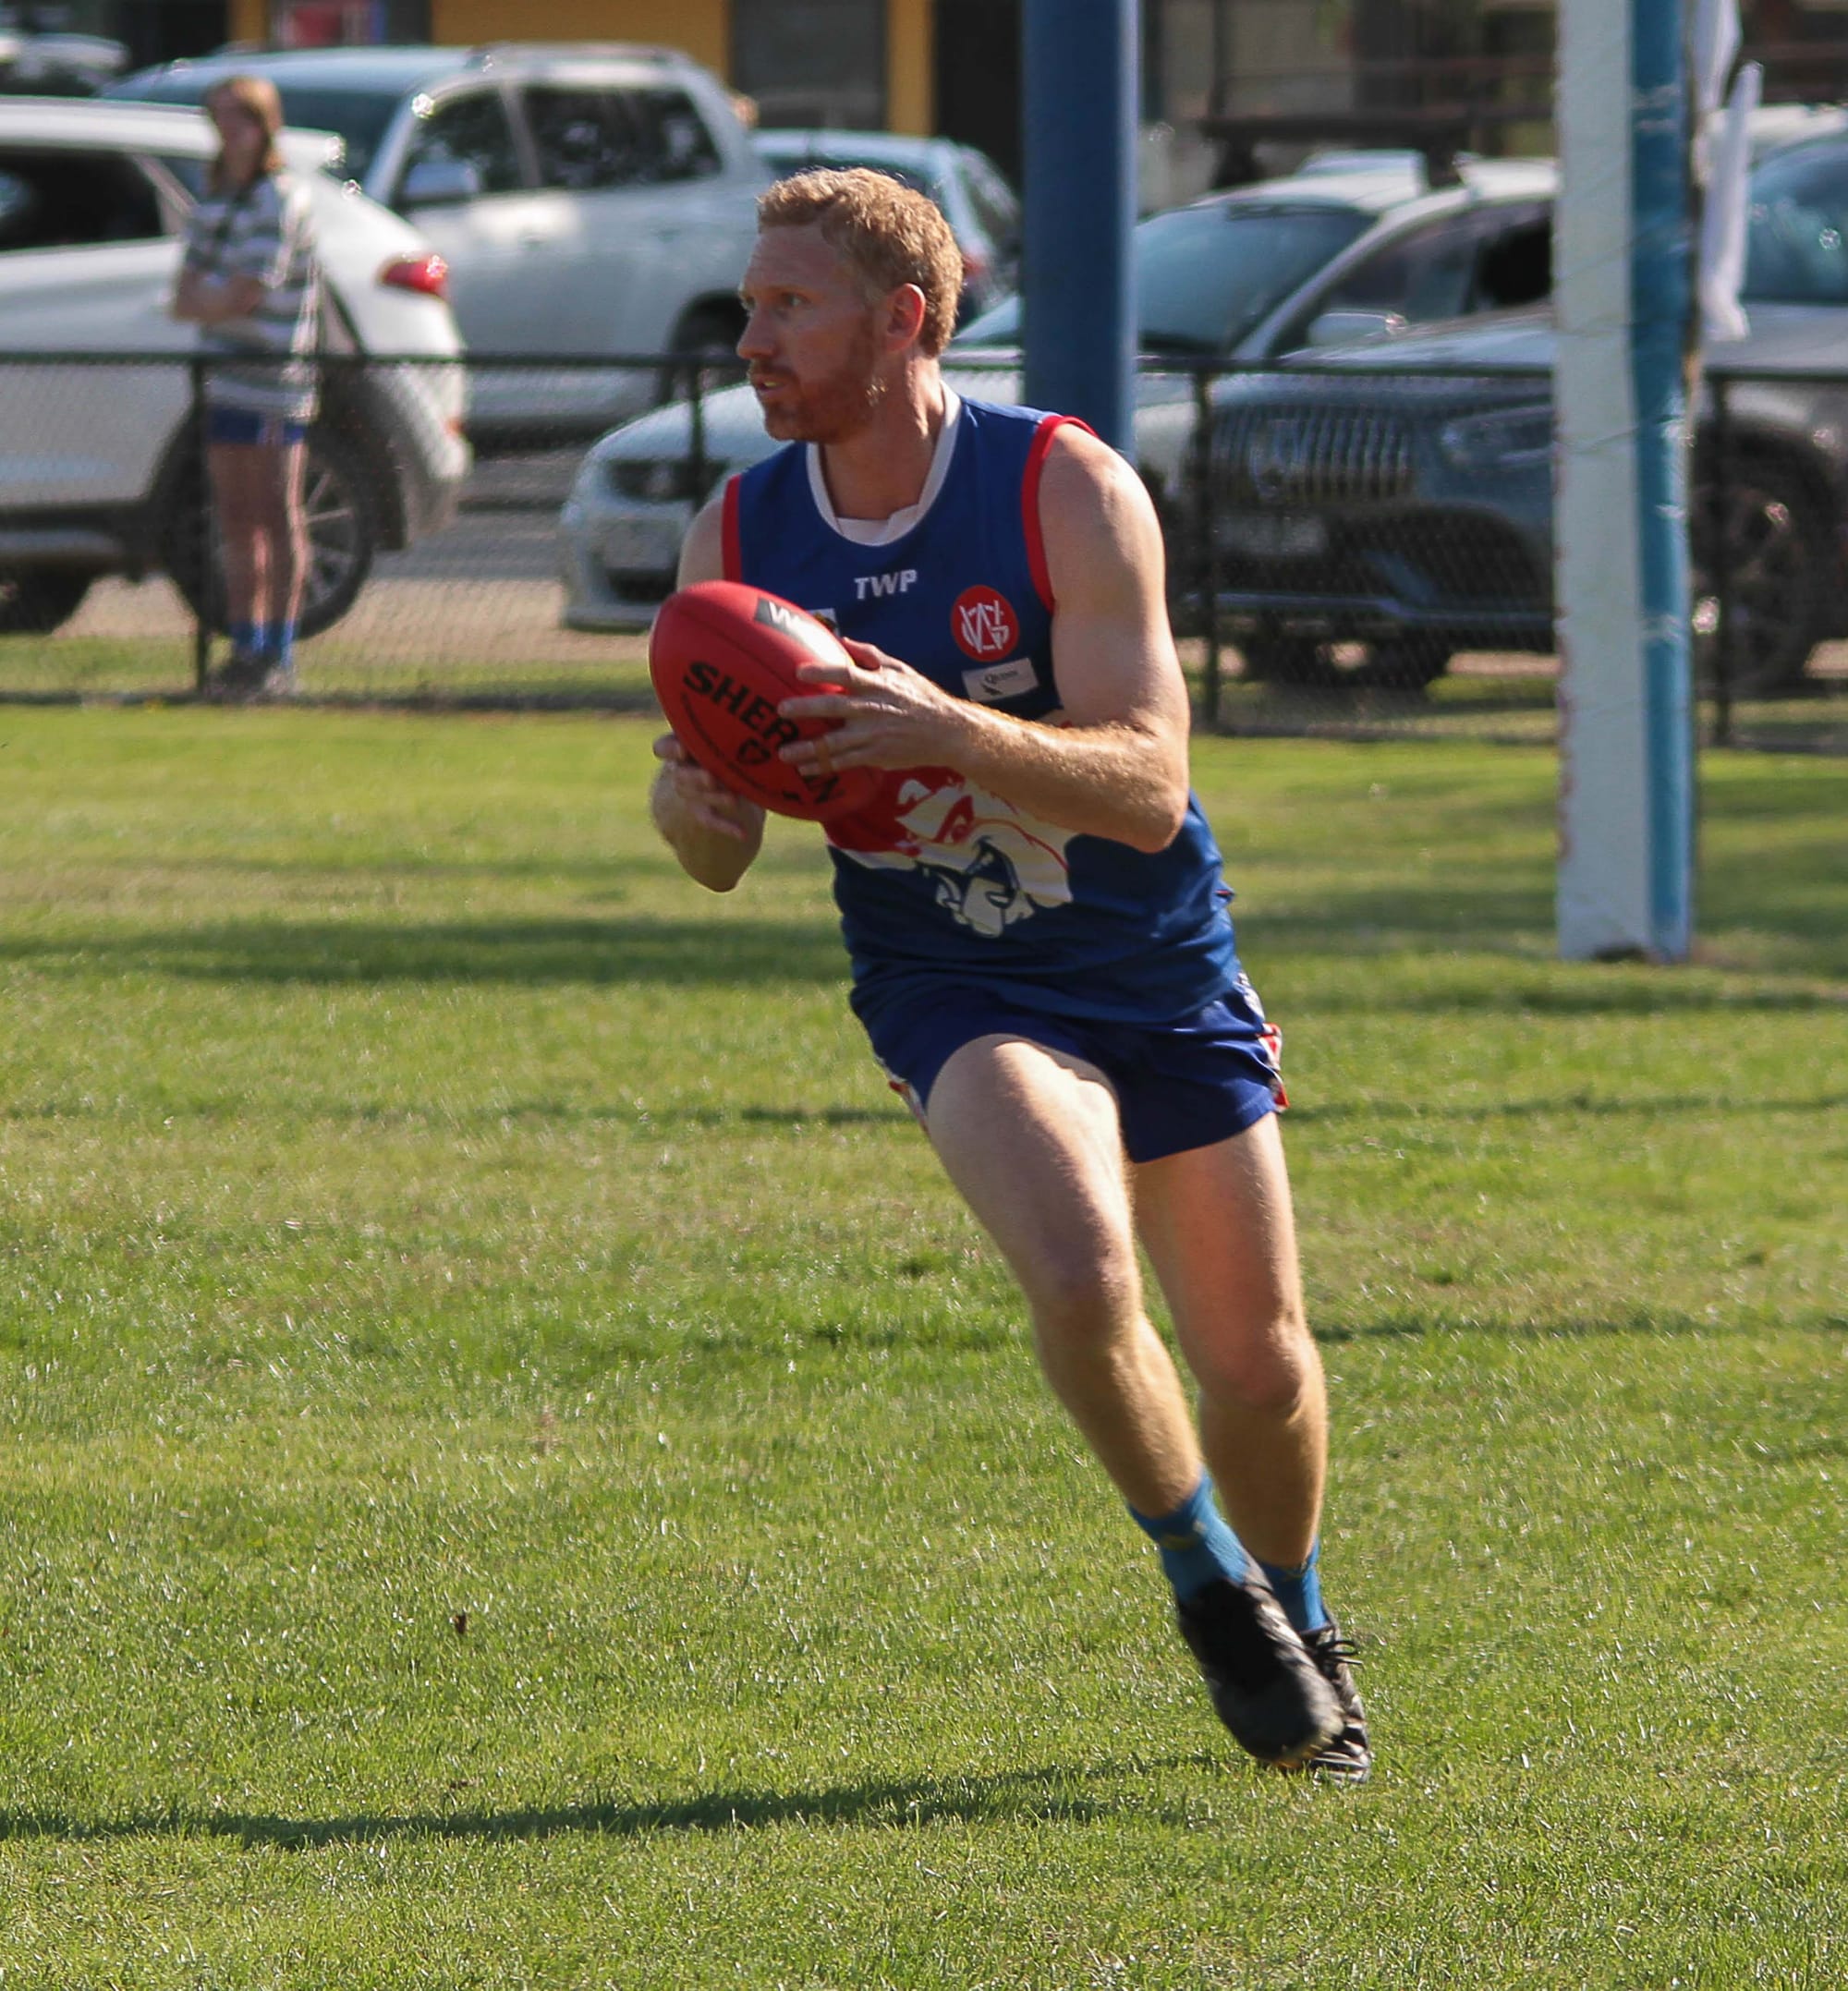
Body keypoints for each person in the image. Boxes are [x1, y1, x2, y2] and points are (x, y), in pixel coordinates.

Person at [649, 169, 1369, 1781]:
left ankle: (1306, 1614)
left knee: (1256, 1364)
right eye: (752, 303)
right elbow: (715, 851)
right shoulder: (742, 534)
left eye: (788, 307)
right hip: (951, 977)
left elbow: (1152, 787)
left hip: (1152, 962)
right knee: (1081, 1272)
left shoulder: (1063, 487)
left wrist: (950, 730)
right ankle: (1208, 1589)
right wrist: (691, 800)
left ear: (901, 319)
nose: (752, 336)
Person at [172, 74, 321, 701]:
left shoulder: (280, 200)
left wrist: (217, 303)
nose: (230, 131)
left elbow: (249, 291)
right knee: (234, 518)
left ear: (265, 124)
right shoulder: (216, 200)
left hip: (275, 383)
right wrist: (215, 303)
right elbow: (185, 295)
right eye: (221, 119)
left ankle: (279, 653)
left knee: (276, 512)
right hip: (225, 379)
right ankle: (242, 645)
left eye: (241, 118)